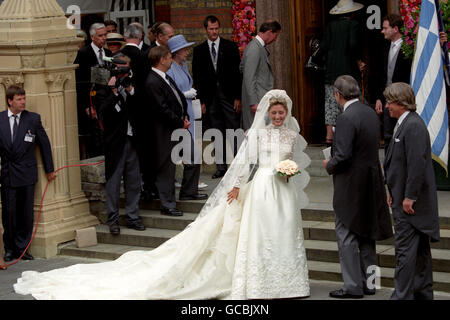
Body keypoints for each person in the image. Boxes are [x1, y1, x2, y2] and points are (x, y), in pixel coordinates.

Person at [13, 89, 311, 300]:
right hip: (261, 188)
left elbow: (294, 158)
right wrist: (237, 184)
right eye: (273, 112)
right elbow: (246, 161)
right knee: (261, 234)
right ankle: (261, 280)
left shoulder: (291, 133)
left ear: (286, 113)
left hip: (282, 189)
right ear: (266, 113)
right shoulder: (257, 134)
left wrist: (289, 169)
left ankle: (288, 281)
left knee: (283, 231)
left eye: (280, 113)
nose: (277, 116)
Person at [323, 75, 393, 299]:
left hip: (350, 186)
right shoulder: (370, 112)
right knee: (367, 234)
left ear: (338, 95)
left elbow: (342, 155)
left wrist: (328, 164)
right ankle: (370, 284)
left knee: (346, 235)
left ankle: (353, 286)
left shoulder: (345, 118)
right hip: (371, 183)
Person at [383, 82, 440, 300]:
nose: (387, 106)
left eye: (390, 102)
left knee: (405, 253)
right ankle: (422, 294)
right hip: (402, 198)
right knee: (420, 253)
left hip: (411, 205)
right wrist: (392, 190)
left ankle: (402, 296)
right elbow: (399, 164)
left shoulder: (413, 126)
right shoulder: (404, 123)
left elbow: (416, 164)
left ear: (401, 103)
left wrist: (409, 196)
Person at [145, 46, 206, 217]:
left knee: (193, 156)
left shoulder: (165, 77)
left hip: (179, 125)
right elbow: (160, 109)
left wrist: (184, 116)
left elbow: (178, 97)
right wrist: (180, 121)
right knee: (167, 167)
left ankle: (189, 191)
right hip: (165, 130)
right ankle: (168, 204)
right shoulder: (152, 80)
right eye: (169, 57)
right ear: (162, 60)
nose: (171, 60)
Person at [1, 85, 56, 263]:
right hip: (8, 174)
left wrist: (50, 169)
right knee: (9, 213)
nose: (23, 102)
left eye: (24, 98)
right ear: (10, 101)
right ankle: (9, 249)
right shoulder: (0, 119)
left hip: (26, 173)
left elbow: (44, 145)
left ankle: (23, 249)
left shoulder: (32, 119)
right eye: (19, 99)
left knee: (26, 213)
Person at [95, 54, 146, 236]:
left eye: (127, 67)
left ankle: (133, 217)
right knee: (114, 184)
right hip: (115, 144)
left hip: (133, 141)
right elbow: (103, 113)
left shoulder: (132, 84)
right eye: (121, 67)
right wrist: (113, 93)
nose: (124, 71)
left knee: (133, 182)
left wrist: (130, 91)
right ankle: (113, 220)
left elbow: (141, 107)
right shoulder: (103, 89)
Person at [192, 15, 242, 179]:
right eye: (211, 29)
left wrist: (237, 97)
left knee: (233, 130)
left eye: (216, 29)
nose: (214, 32)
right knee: (216, 132)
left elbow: (237, 74)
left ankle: (236, 166)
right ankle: (221, 167)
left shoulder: (230, 47)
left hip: (228, 96)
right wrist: (202, 101)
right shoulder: (199, 51)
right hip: (210, 97)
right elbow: (197, 77)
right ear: (206, 30)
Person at [316, 0, 365, 145]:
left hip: (332, 71)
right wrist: (358, 60)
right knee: (350, 103)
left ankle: (329, 136)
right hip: (349, 71)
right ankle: (350, 136)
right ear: (352, 13)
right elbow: (353, 44)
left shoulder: (331, 26)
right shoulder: (353, 25)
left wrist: (316, 58)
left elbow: (323, 46)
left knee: (331, 104)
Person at [166, 35, 209, 197]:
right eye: (184, 49)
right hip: (180, 114)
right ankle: (189, 189)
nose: (187, 52)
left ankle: (190, 189)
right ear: (176, 52)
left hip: (189, 111)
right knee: (190, 153)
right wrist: (185, 94)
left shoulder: (183, 66)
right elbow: (171, 93)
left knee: (193, 152)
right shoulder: (171, 68)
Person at [374, 14, 412, 149]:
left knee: (404, 135)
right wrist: (378, 98)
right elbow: (379, 75)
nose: (382, 31)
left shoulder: (409, 48)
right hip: (387, 99)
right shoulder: (383, 47)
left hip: (403, 100)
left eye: (385, 28)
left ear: (395, 29)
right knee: (388, 135)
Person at [74, 23, 111, 159]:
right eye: (100, 36)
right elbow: (80, 83)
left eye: (105, 35)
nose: (104, 38)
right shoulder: (83, 54)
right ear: (92, 37)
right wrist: (87, 105)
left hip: (106, 100)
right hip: (91, 101)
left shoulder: (108, 53)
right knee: (93, 137)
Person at [241, 20, 281, 131]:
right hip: (256, 102)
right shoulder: (254, 48)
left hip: (260, 99)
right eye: (276, 35)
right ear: (269, 32)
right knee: (255, 134)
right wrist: (253, 102)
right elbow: (249, 77)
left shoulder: (259, 47)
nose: (275, 39)